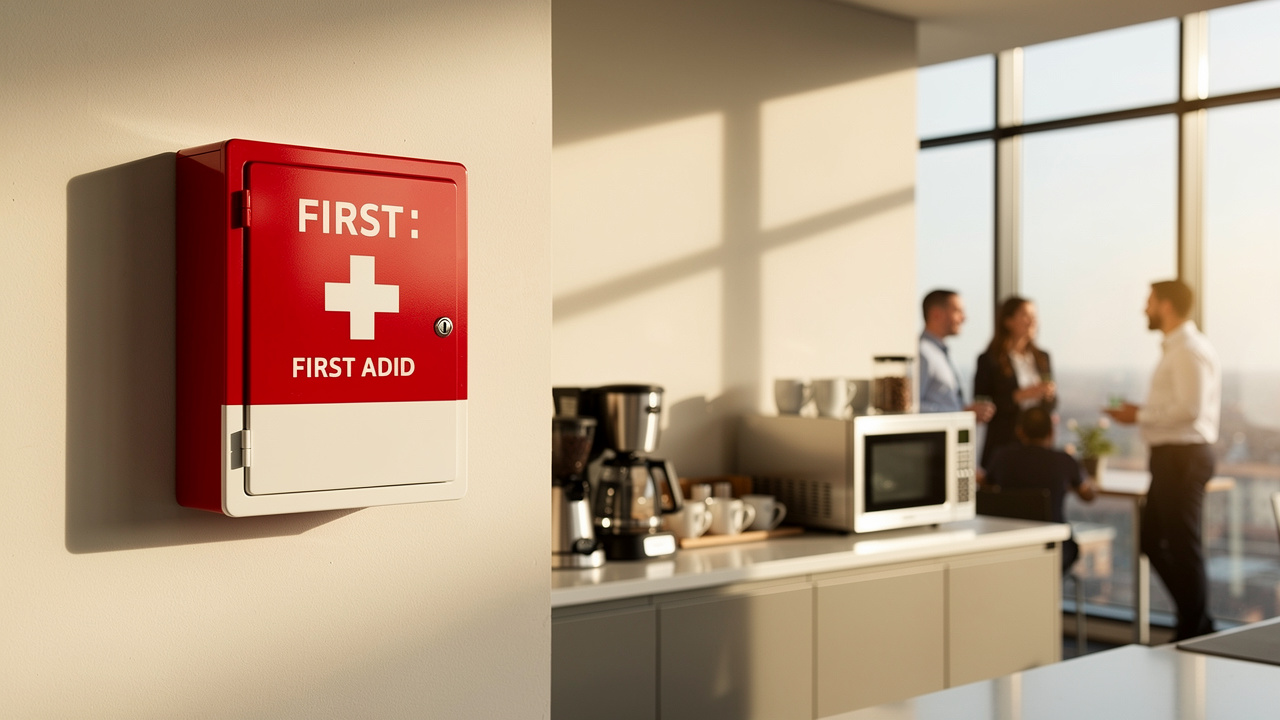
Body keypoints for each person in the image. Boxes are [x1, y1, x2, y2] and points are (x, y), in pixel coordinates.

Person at [1105, 279, 1222, 641]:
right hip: (1171, 457)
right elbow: (1180, 405)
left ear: (1166, 306)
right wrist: (1140, 412)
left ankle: (1195, 626)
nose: (1145, 309)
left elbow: (1189, 409)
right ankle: (1194, 620)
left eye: (1150, 302)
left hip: (1182, 458)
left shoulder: (1187, 348)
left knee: (1181, 545)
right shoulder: (1178, 348)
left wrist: (1138, 417)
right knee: (1153, 539)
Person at [983, 406, 1096, 574]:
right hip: (1054, 548)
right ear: (1051, 432)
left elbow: (986, 487)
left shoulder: (1001, 457)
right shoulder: (1064, 461)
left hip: (1009, 545)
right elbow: (1089, 496)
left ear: (1020, 432)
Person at [974, 296, 1057, 468]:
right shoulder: (989, 360)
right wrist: (1019, 396)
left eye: (1034, 315)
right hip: (1004, 444)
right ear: (1008, 321)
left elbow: (1053, 403)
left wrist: (1048, 395)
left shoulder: (1042, 358)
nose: (1033, 320)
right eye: (1026, 315)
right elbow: (981, 404)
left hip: (1036, 444)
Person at [918, 289, 994, 422]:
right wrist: (962, 413)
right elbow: (913, 407)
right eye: (958, 311)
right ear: (936, 314)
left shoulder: (941, 353)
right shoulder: (922, 353)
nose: (964, 318)